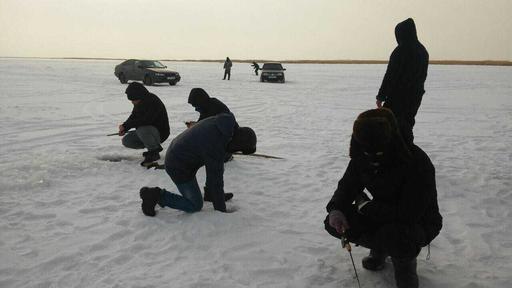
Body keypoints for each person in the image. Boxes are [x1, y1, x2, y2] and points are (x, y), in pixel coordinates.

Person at [324, 108, 442, 288]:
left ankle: (405, 268)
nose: (371, 157)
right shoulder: (362, 155)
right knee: (335, 223)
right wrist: (336, 209)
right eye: (366, 151)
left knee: (395, 236)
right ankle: (380, 249)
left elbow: (409, 213)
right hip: (382, 212)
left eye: (377, 153)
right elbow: (347, 186)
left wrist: (366, 207)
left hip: (419, 222)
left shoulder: (416, 162)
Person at [139, 113, 256, 215]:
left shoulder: (225, 126)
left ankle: (210, 194)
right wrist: (221, 211)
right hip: (178, 165)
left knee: (217, 167)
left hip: (178, 151)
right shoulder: (215, 146)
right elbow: (215, 180)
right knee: (194, 205)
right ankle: (156, 195)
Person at [376, 18, 429, 145]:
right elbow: (423, 76)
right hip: (415, 96)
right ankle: (407, 150)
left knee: (391, 125)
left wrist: (381, 96)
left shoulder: (400, 51)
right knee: (407, 124)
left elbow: (390, 75)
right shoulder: (423, 51)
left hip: (398, 96)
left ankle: (397, 154)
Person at [118, 82, 170, 166]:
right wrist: (124, 127)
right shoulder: (140, 102)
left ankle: (154, 152)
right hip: (147, 132)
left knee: (142, 128)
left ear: (139, 96)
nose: (132, 102)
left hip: (160, 133)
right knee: (127, 140)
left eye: (133, 100)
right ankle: (151, 147)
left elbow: (145, 120)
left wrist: (129, 125)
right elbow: (134, 116)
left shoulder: (153, 101)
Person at [186, 88, 236, 162]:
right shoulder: (207, 105)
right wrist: (194, 125)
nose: (195, 108)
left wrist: (195, 127)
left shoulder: (213, 107)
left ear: (200, 101)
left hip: (227, 137)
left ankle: (225, 154)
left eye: (195, 105)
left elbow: (206, 126)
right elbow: (202, 121)